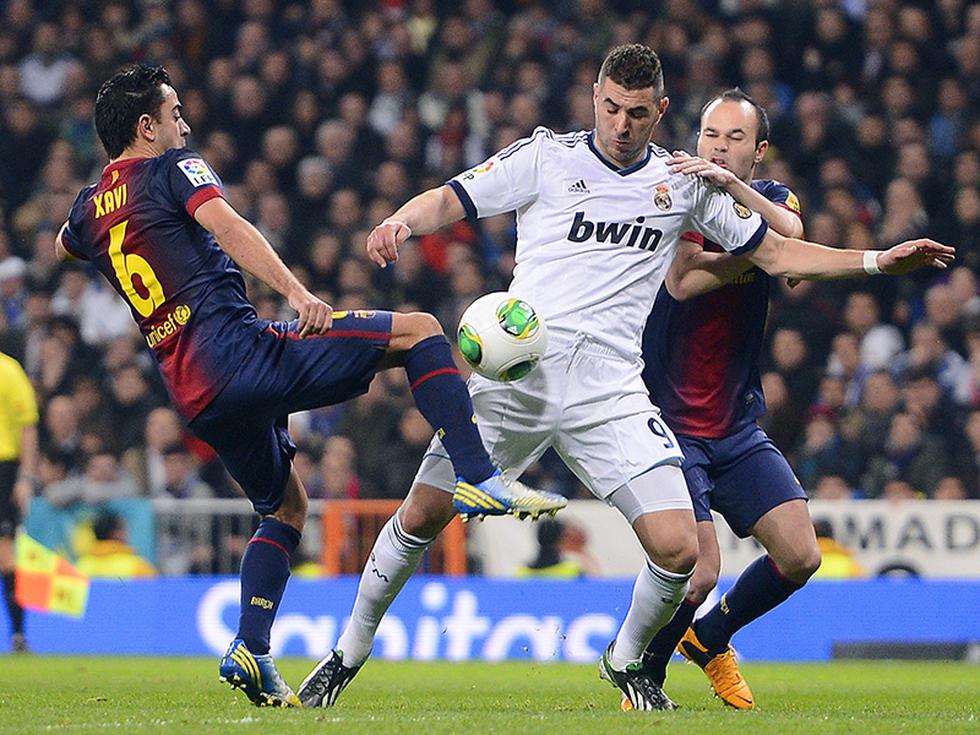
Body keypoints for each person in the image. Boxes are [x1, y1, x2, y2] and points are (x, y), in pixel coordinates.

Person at [298, 45, 952, 711]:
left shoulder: (682, 182)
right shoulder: (545, 157)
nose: (621, 124)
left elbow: (780, 249)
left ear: (660, 111)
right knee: (425, 511)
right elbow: (453, 198)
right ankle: (347, 649)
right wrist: (400, 220)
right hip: (518, 378)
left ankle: (627, 659)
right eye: (610, 108)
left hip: (609, 391)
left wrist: (877, 260)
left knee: (678, 550)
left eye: (637, 113)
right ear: (594, 100)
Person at [54, 64, 563, 707]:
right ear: (146, 126)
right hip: (241, 354)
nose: (185, 123)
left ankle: (252, 648)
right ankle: (476, 472)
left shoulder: (88, 206)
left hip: (194, 395)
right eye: (175, 113)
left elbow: (64, 244)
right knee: (420, 330)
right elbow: (229, 226)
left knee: (286, 510)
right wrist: (297, 292)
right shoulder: (173, 169)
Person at [634, 88, 942, 710]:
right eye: (710, 136)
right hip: (668, 419)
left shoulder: (770, 197)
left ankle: (711, 638)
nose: (716, 149)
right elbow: (684, 279)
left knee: (801, 555)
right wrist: (765, 262)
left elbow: (792, 233)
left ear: (758, 151)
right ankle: (646, 675)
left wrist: (757, 228)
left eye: (733, 140)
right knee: (699, 570)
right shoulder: (675, 192)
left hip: (735, 423)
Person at [0, 351, 39, 653]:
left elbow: (27, 426)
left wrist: (26, 477)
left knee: (5, 552)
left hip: (3, 467)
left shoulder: (8, 370)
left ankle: (18, 634)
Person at [76, 511, 157, 578]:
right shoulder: (138, 566)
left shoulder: (81, 565)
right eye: (124, 529)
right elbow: (150, 594)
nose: (127, 533)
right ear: (116, 533)